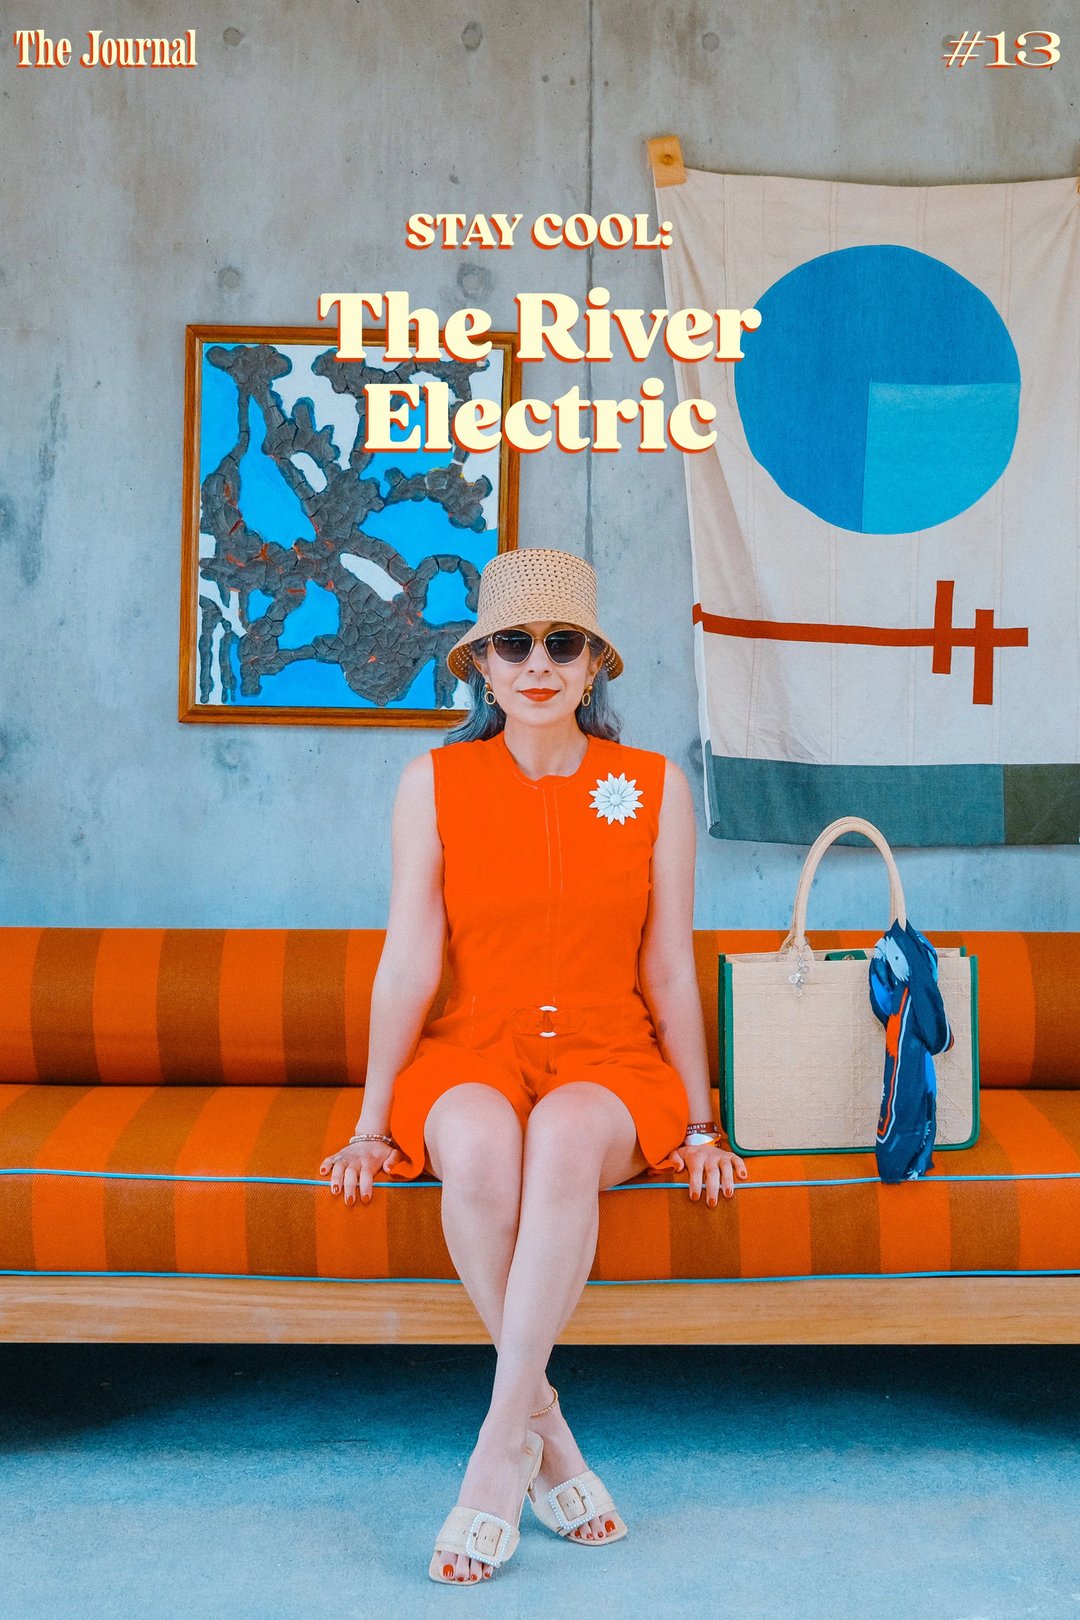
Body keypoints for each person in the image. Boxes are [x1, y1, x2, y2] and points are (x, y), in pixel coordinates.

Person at [318, 546, 748, 1586]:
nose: (538, 662)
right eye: (515, 643)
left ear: (594, 665)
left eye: (563, 643)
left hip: (611, 1056)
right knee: (473, 1147)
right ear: (482, 666)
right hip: (471, 1047)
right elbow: (409, 960)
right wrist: (375, 1124)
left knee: (559, 1140)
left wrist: (699, 1122)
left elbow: (669, 970)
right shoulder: (434, 781)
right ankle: (546, 1435)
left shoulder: (652, 788)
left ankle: (491, 1458)